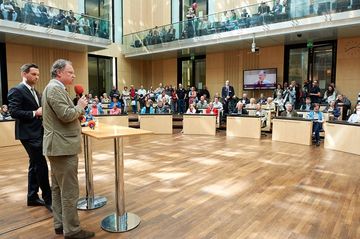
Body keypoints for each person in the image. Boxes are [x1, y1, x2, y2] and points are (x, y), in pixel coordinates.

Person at [42, 59, 94, 238]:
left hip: (57, 146)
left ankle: (59, 224)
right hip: (62, 147)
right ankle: (72, 230)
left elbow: (62, 116)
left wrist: (75, 111)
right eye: (70, 72)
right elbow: (65, 115)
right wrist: (79, 107)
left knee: (57, 188)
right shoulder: (55, 89)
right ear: (59, 73)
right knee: (69, 191)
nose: (74, 75)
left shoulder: (54, 88)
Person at [7, 63, 52, 212]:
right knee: (41, 165)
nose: (37, 77)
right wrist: (35, 113)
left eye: (38, 75)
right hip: (28, 134)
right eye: (34, 74)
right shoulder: (16, 90)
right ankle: (49, 199)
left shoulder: (35, 91)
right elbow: (13, 112)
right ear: (24, 74)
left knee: (34, 165)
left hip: (37, 132)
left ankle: (32, 197)